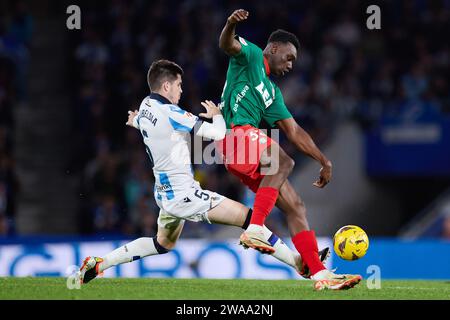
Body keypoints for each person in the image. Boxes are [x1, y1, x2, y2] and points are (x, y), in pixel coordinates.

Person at [76, 59, 330, 285]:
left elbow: (141, 121)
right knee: (250, 218)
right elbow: (218, 133)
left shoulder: (145, 107)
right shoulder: (169, 111)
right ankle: (299, 263)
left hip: (164, 194)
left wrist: (135, 122)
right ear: (166, 87)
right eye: (178, 86)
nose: (180, 91)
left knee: (161, 244)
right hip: (185, 195)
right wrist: (217, 115)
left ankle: (99, 263)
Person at [217, 9, 361, 290]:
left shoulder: (273, 93)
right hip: (234, 136)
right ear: (273, 49)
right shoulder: (253, 56)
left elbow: (294, 131)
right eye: (289, 57)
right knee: (282, 161)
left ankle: (320, 275)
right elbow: (227, 44)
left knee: (296, 205)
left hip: (247, 147)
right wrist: (230, 24)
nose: (291, 65)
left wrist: (323, 159)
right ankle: (256, 228)